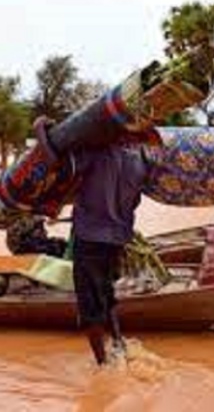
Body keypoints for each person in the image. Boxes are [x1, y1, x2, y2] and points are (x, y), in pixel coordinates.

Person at [70, 143, 148, 366]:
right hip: (117, 238)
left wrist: (39, 130)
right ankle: (118, 344)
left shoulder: (92, 152)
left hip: (89, 237)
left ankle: (102, 365)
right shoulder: (137, 159)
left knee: (90, 306)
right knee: (107, 292)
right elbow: (134, 202)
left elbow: (66, 177)